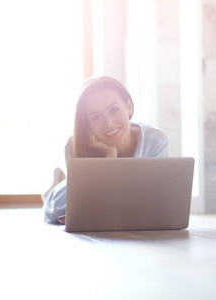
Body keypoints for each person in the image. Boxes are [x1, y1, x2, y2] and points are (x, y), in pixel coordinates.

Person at [42, 76, 169, 224]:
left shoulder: (156, 140)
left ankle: (62, 180)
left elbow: (152, 201)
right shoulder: (74, 145)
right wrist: (109, 158)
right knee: (54, 211)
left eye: (114, 110)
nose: (108, 123)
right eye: (96, 117)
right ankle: (54, 189)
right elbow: (83, 206)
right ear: (87, 123)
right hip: (65, 200)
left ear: (129, 107)